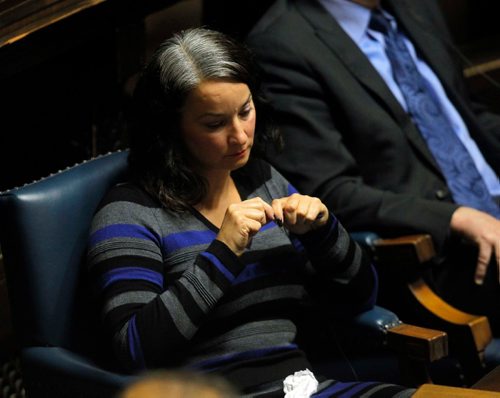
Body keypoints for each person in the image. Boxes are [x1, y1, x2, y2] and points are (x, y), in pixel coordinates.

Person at [87, 27, 415, 397]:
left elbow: (361, 297)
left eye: (245, 111)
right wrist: (223, 251)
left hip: (303, 387)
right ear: (170, 129)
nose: (241, 136)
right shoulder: (129, 212)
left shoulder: (260, 179)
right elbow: (135, 351)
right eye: (214, 124)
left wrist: (324, 232)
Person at [245, 0, 500, 333]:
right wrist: (456, 217)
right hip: (444, 252)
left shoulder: (414, 7)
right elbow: (330, 193)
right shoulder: (281, 43)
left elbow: (465, 117)